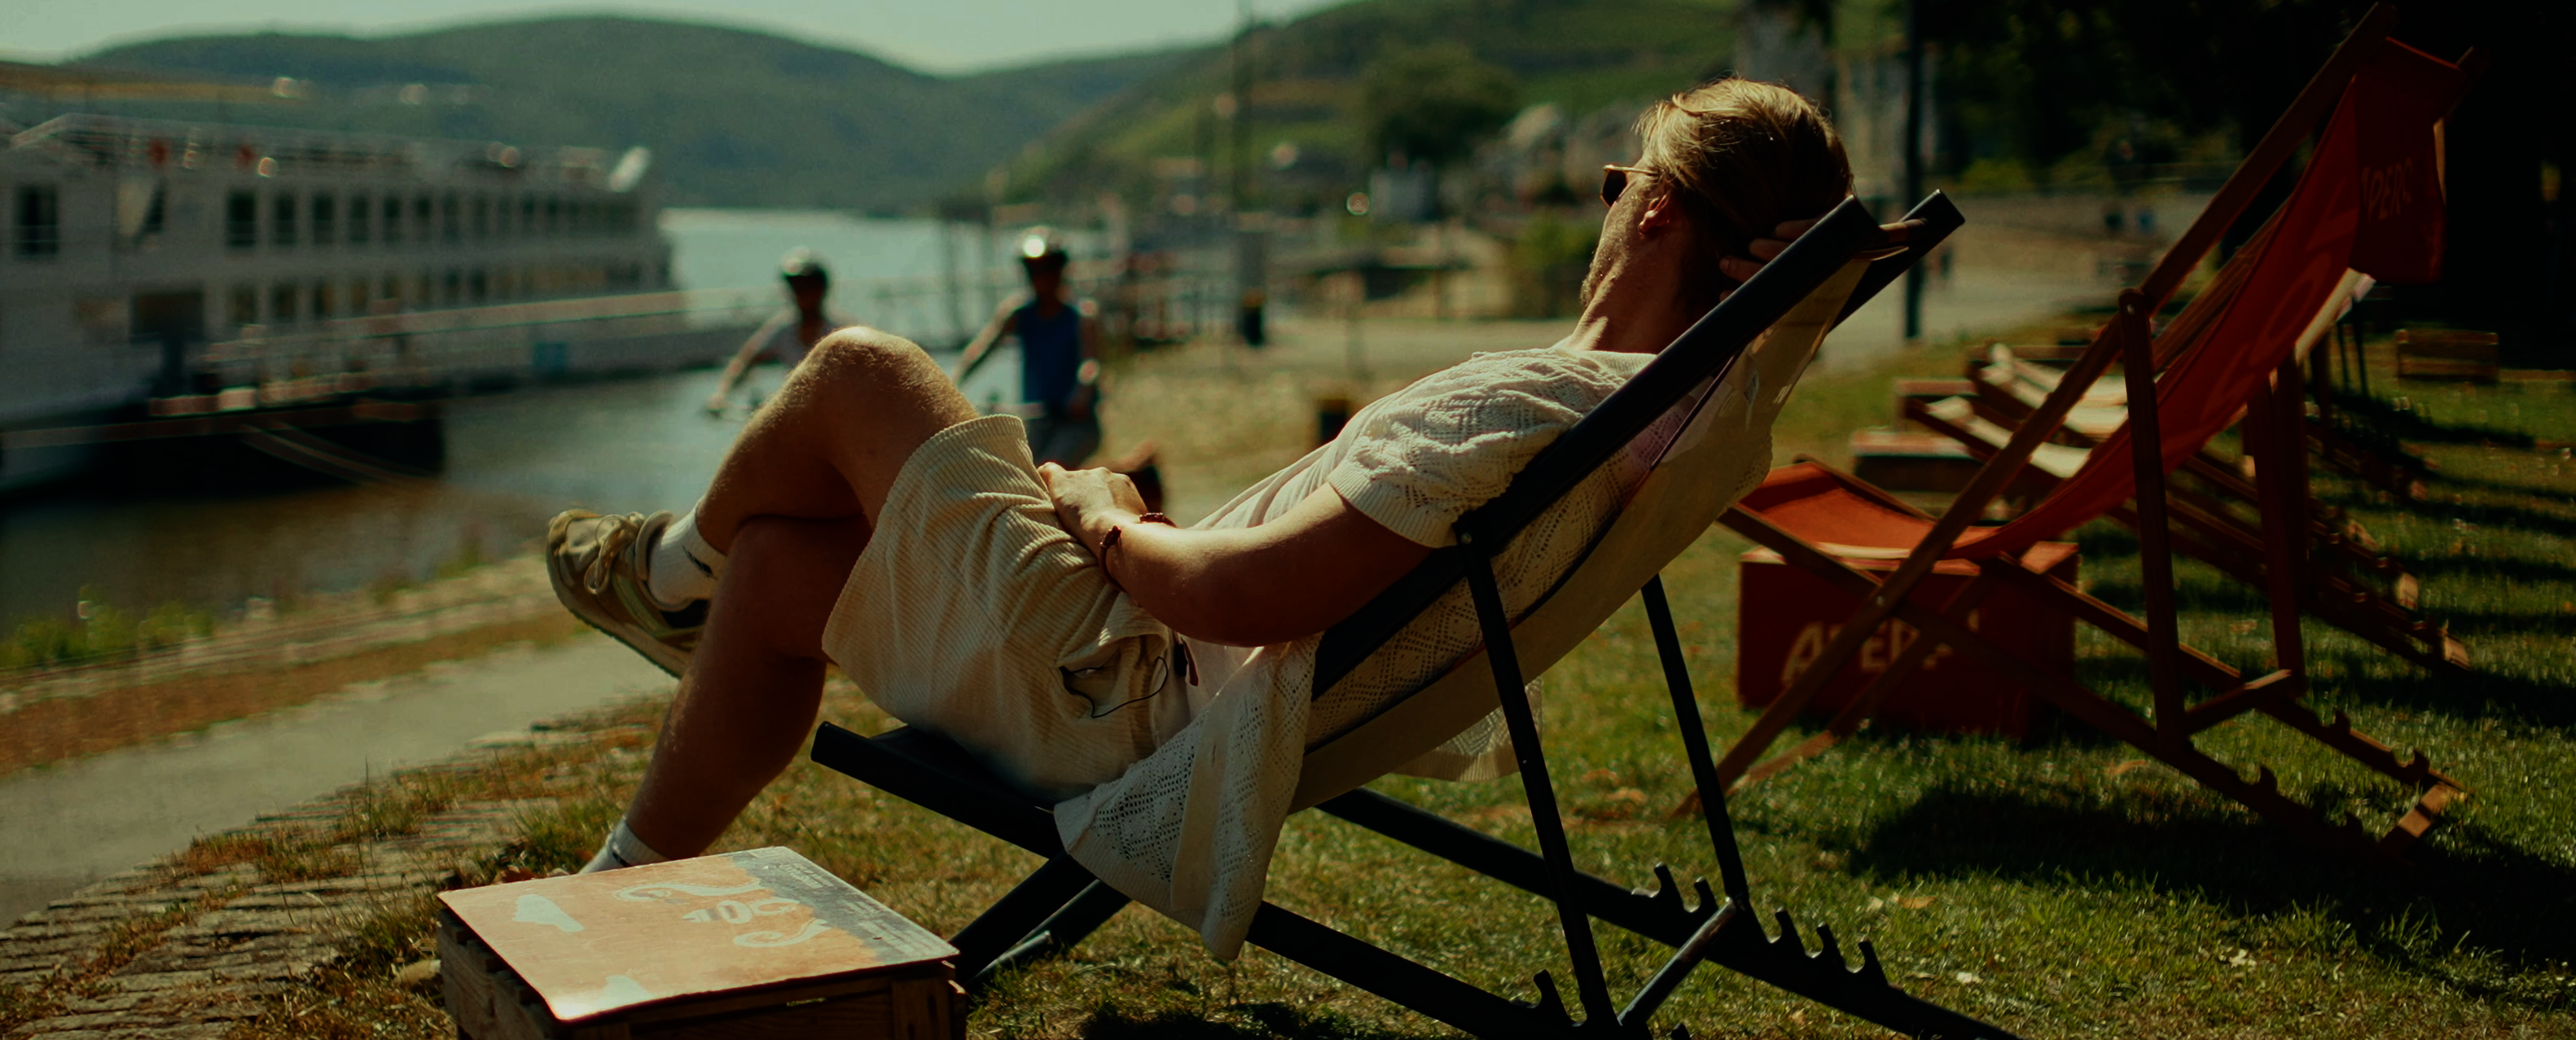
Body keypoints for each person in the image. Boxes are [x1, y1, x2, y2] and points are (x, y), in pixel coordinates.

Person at [546, 78, 1854, 875]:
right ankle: (620, 870)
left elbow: (1244, 598)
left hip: (1122, 689)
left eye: (1623, 181)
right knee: (784, 569)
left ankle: (658, 571)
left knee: (859, 369)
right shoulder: (1672, 420)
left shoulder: (1531, 409)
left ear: (1657, 211)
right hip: (1144, 675)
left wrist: (1105, 520)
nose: (1610, 200)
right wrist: (1797, 300)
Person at [954, 228, 1106, 467]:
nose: (1040, 276)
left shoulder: (1082, 316)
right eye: (1033, 269)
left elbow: (1090, 364)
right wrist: (953, 383)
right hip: (1037, 421)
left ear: (1060, 269)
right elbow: (982, 349)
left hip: (1075, 423)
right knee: (1016, 471)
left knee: (1048, 470)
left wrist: (1082, 393)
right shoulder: (1018, 312)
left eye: (1047, 268)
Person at [704, 249, 856, 415]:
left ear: (821, 289)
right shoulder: (784, 329)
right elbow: (744, 361)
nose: (799, 294)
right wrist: (721, 395)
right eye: (795, 288)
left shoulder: (842, 331)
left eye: (806, 287)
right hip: (799, 413)